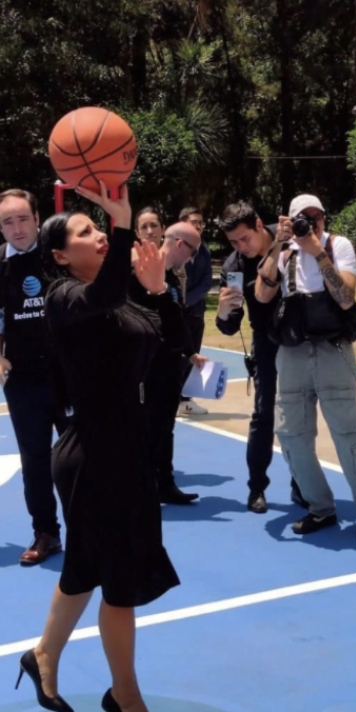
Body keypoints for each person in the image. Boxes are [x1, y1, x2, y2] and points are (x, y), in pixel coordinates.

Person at [22, 183, 180, 712]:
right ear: (62, 256)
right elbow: (104, 296)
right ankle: (125, 696)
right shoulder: (63, 296)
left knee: (86, 568)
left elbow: (165, 349)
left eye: (100, 229)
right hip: (95, 455)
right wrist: (120, 218)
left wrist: (157, 291)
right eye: (86, 231)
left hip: (125, 447)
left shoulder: (123, 296)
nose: (100, 237)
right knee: (119, 581)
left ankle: (43, 657)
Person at [254, 194, 356, 540]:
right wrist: (279, 244)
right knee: (292, 436)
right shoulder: (284, 253)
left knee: (347, 435)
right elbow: (261, 295)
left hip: (332, 350)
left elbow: (345, 298)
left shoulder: (338, 246)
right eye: (303, 219)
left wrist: (317, 251)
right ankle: (320, 507)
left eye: (317, 218)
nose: (311, 225)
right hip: (293, 352)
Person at [217, 201, 306, 513]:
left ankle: (302, 485)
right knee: (263, 414)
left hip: (301, 338)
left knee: (300, 415)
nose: (241, 247)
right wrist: (223, 313)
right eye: (233, 242)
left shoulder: (290, 238)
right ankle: (256, 488)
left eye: (245, 238)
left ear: (258, 225)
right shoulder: (234, 268)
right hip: (265, 340)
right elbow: (229, 328)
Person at [0, 189, 70, 566]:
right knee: (35, 460)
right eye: (7, 222)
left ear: (37, 217)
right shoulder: (0, 264)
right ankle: (46, 533)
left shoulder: (57, 255)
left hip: (67, 374)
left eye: (22, 218)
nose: (16, 228)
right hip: (23, 380)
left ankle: (93, 528)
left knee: (81, 455)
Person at [129, 221, 207, 505]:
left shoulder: (172, 278)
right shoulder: (142, 270)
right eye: (192, 250)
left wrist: (189, 352)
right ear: (179, 244)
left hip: (169, 365)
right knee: (146, 427)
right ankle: (144, 485)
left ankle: (164, 482)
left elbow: (176, 318)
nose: (192, 257)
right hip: (147, 365)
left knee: (165, 427)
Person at [178, 206, 212, 416]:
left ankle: (186, 400)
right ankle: (170, 397)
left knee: (194, 355)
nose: (198, 226)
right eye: (194, 222)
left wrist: (187, 301)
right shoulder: (173, 247)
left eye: (200, 222)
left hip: (195, 311)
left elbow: (207, 282)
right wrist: (177, 302)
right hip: (175, 312)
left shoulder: (204, 251)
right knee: (175, 355)